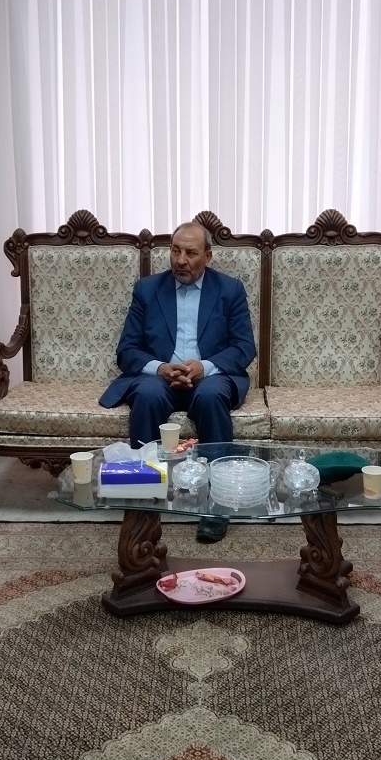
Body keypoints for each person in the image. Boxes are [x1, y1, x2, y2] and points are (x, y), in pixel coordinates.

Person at [99, 221, 257, 543]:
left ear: (208, 256)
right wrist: (159, 368)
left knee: (211, 396)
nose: (181, 260)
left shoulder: (229, 290)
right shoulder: (147, 290)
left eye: (190, 253)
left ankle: (217, 504)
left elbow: (244, 347)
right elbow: (127, 350)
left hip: (210, 377)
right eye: (175, 251)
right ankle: (143, 501)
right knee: (147, 395)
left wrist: (205, 367)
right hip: (160, 378)